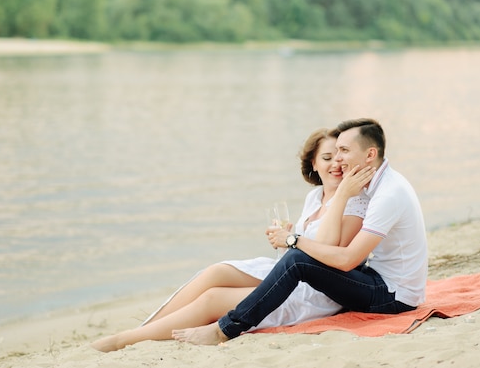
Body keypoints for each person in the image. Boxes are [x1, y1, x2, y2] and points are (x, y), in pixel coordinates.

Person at [91, 127, 369, 352]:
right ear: (313, 163)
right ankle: (143, 329)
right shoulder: (315, 197)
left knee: (213, 299)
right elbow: (301, 243)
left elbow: (326, 254)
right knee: (216, 271)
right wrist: (285, 236)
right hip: (288, 272)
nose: (336, 164)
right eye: (327, 157)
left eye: (341, 156)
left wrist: (292, 238)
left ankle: (126, 340)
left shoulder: (353, 202)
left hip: (312, 290)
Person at [171, 118, 428, 345]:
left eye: (344, 151)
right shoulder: (380, 185)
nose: (338, 159)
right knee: (293, 259)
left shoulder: (387, 194)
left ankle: (225, 329)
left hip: (393, 297)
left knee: (296, 260)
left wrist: (294, 240)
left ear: (370, 154)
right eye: (334, 152)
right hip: (384, 282)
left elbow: (348, 259)